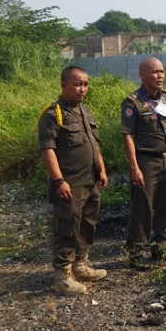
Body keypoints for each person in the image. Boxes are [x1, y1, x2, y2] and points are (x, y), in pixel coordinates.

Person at [38, 66, 109, 296]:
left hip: (90, 180)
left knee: (87, 223)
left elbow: (93, 144)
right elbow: (48, 150)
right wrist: (59, 181)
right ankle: (63, 276)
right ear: (63, 85)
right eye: (78, 84)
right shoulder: (53, 114)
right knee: (66, 227)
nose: (82, 89)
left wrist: (102, 169)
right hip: (70, 183)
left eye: (85, 84)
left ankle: (81, 264)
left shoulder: (84, 111)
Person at [121, 57, 166, 268]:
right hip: (146, 161)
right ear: (142, 75)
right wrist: (134, 167)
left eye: (162, 71)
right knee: (143, 207)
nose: (160, 76)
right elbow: (128, 136)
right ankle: (136, 252)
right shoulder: (133, 102)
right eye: (155, 72)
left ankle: (163, 247)